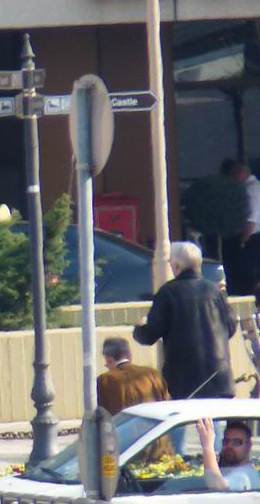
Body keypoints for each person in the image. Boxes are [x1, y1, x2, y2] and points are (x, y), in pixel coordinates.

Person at [133, 241, 239, 399]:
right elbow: (231, 326)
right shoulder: (215, 291)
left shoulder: (168, 292)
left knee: (191, 424)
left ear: (176, 266)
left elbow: (150, 335)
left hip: (185, 383)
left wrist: (138, 330)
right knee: (216, 423)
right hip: (220, 379)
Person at [219, 158, 260, 297]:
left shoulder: (252, 189)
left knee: (245, 280)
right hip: (249, 240)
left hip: (250, 241)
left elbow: (251, 220)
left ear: (240, 173)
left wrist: (242, 240)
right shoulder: (247, 188)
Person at [96, 337, 169, 414]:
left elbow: (102, 415)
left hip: (122, 425)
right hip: (156, 425)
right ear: (129, 355)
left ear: (109, 359)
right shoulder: (153, 374)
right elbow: (167, 404)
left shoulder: (104, 380)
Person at [193, 417, 259, 492]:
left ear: (249, 446)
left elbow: (218, 486)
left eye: (237, 442)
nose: (229, 446)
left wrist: (207, 446)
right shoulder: (231, 469)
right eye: (226, 441)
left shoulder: (245, 475)